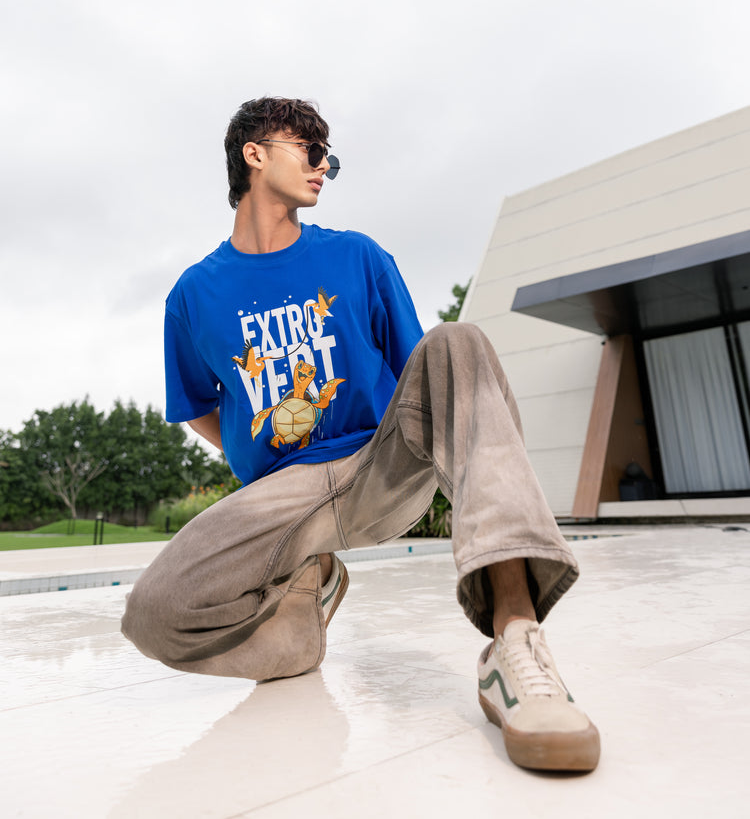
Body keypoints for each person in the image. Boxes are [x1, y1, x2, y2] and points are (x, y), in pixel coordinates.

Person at [121, 96, 600, 773]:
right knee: (153, 613)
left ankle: (514, 645)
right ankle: (294, 631)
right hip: (284, 495)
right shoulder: (194, 295)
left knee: (457, 344)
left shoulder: (358, 258)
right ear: (254, 155)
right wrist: (254, 468)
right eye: (309, 151)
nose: (324, 166)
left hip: (380, 466)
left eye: (329, 156)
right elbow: (199, 404)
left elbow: (426, 376)